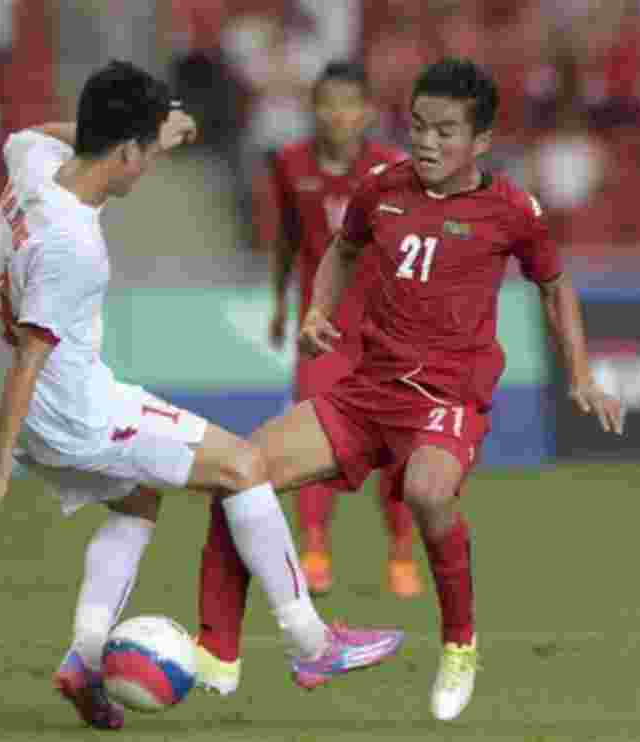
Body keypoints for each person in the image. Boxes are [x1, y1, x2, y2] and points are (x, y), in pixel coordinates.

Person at [0, 60, 404, 731]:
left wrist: (142, 131)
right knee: (243, 465)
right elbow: (33, 354)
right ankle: (311, 644)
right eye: (146, 154)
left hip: (23, 406)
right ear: (127, 151)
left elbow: (38, 135)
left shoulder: (32, 160)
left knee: (137, 499)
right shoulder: (73, 246)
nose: (150, 169)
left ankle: (84, 659)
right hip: (71, 410)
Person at [194, 57, 623, 721]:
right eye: (419, 126)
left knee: (426, 489)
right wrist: (317, 311)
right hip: (370, 389)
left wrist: (583, 375)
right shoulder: (381, 188)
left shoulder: (511, 209)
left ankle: (459, 644)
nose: (426, 141)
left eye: (445, 131)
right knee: (237, 474)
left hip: (450, 395)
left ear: (480, 141)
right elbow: (341, 248)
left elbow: (554, 283)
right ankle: (218, 652)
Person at [264, 60, 419, 598]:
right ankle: (314, 549)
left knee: (398, 444)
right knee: (316, 440)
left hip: (383, 330)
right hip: (320, 327)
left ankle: (401, 553)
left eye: (349, 104)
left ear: (367, 112)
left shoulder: (392, 167)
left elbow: (410, 246)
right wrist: (280, 305)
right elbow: (287, 236)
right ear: (314, 108)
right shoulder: (288, 163)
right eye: (328, 103)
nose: (338, 114)